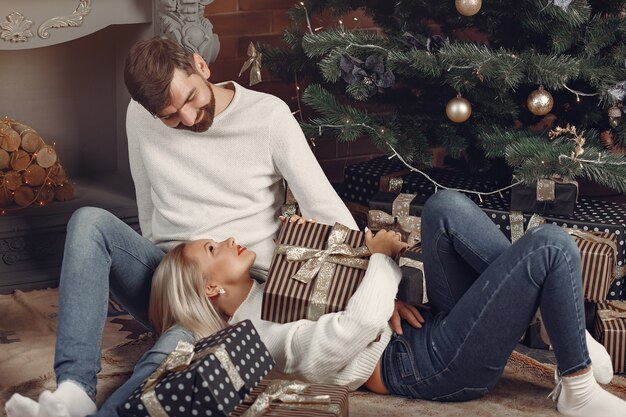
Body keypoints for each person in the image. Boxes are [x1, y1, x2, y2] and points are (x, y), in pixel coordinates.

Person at [4, 36, 370, 417]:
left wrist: (372, 282)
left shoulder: (269, 115)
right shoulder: (139, 116)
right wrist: (167, 290)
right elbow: (148, 208)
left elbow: (325, 207)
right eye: (170, 116)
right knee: (88, 220)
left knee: (172, 353)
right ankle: (74, 392)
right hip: (170, 274)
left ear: (201, 66)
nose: (190, 119)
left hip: (237, 287)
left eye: (191, 98)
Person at [145, 191, 623, 417]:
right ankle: (576, 385)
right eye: (213, 250)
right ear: (210, 289)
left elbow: (346, 297)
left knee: (444, 208)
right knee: (551, 244)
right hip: (429, 368)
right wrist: (383, 261)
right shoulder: (256, 336)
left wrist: (387, 295)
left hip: (418, 333)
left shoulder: (274, 278)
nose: (227, 240)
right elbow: (355, 329)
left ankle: (566, 337)